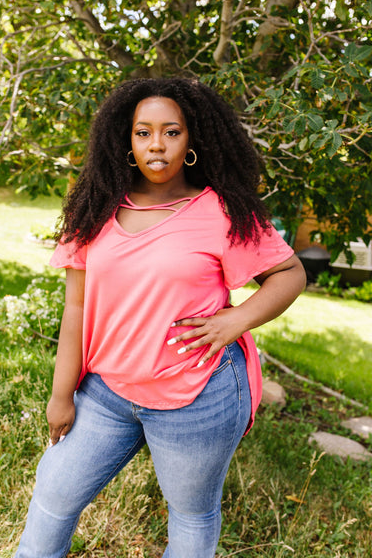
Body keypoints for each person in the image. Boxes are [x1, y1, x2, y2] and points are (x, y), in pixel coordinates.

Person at [15, 77, 306, 558]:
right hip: (106, 392)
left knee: (190, 516)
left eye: (171, 132)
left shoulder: (220, 212)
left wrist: (236, 321)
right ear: (125, 140)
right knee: (54, 495)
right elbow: (77, 308)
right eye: (143, 132)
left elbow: (289, 273)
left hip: (198, 394)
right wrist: (60, 395)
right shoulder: (95, 209)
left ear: (192, 140)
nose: (157, 145)